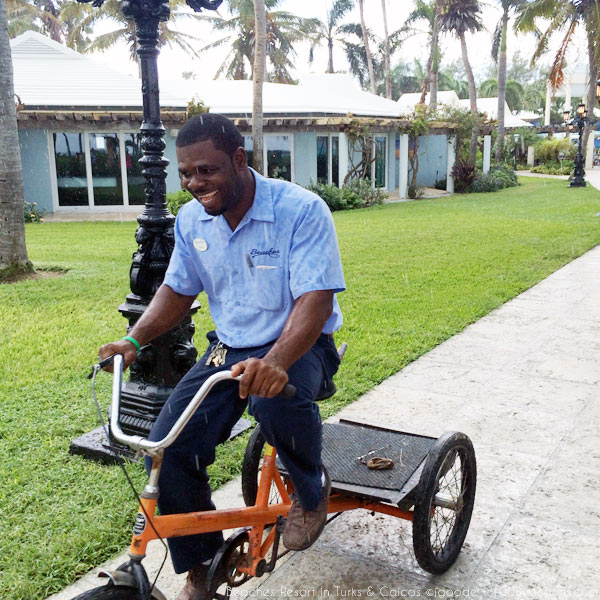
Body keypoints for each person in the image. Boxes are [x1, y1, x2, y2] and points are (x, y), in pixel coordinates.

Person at [99, 113, 345, 600]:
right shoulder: (191, 220)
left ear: (238, 160)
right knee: (166, 446)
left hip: (299, 341)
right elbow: (176, 290)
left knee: (273, 402)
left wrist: (275, 360)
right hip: (228, 347)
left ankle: (311, 493)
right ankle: (205, 568)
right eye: (186, 173)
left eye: (206, 171)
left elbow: (315, 299)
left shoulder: (300, 210)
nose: (194, 183)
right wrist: (135, 340)